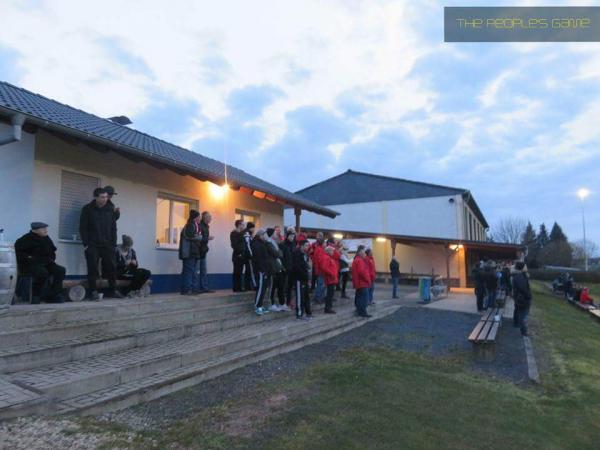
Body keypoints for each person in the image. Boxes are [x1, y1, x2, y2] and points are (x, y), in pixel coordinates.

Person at [80, 187, 123, 300]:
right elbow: (83, 227)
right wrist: (86, 244)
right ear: (96, 197)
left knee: (112, 267)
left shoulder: (110, 209)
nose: (105, 199)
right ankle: (93, 291)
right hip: (93, 244)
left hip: (107, 244)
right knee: (92, 267)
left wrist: (113, 244)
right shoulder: (87, 209)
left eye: (106, 197)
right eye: (102, 197)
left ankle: (112, 290)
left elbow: (113, 228)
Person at [14, 222, 67, 304]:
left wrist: (52, 258)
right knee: (42, 272)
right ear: (36, 230)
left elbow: (52, 250)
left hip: (47, 263)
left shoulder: (46, 238)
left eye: (46, 228)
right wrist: (29, 258)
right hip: (31, 265)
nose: (46, 230)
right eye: (43, 229)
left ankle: (53, 295)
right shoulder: (25, 239)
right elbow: (19, 253)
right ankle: (36, 295)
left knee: (60, 270)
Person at [178, 210, 203, 295]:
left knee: (194, 272)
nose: (200, 219)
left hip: (194, 253)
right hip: (189, 253)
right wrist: (201, 237)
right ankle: (186, 290)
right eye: (199, 217)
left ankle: (193, 289)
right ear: (195, 218)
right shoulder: (189, 225)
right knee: (188, 272)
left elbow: (195, 236)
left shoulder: (194, 225)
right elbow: (191, 236)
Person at [291, 239, 312, 320]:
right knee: (300, 297)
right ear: (302, 245)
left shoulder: (305, 254)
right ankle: (299, 314)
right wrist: (304, 274)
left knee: (306, 296)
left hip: (305, 279)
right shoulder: (297, 253)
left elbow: (306, 265)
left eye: (308, 245)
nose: (307, 247)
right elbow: (297, 267)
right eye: (306, 245)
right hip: (299, 279)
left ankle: (308, 313)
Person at [251, 229, 270, 315]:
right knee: (260, 288)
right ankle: (257, 306)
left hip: (264, 270)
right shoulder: (256, 244)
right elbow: (258, 259)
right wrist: (262, 270)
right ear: (260, 235)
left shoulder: (262, 243)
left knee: (263, 288)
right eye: (264, 235)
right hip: (260, 270)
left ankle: (260, 305)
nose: (265, 236)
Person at [265, 228, 285, 312]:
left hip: (277, 267)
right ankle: (270, 304)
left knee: (279, 286)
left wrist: (279, 253)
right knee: (272, 287)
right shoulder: (269, 243)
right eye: (275, 233)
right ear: (271, 234)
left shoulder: (274, 242)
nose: (276, 234)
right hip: (272, 268)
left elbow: (280, 254)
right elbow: (276, 253)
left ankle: (280, 304)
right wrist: (278, 253)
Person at [511, 261, 532, 336]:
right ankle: (524, 331)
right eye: (525, 266)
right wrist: (529, 296)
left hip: (519, 298)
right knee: (523, 315)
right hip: (523, 299)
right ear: (522, 267)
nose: (526, 267)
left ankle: (517, 324)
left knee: (518, 312)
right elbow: (523, 288)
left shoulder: (518, 275)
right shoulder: (519, 277)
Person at [197, 211, 215, 293]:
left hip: (203, 251)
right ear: (204, 218)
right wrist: (207, 238)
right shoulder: (200, 226)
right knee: (196, 270)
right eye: (209, 217)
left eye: (210, 217)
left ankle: (204, 287)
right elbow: (198, 238)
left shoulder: (206, 226)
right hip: (198, 251)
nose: (210, 218)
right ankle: (196, 288)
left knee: (203, 270)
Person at [352, 245, 371, 318]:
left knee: (359, 297)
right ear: (361, 254)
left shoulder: (356, 260)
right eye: (364, 254)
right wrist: (367, 279)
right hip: (362, 283)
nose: (365, 255)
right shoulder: (359, 261)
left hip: (359, 283)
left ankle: (359, 311)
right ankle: (363, 312)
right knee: (364, 298)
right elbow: (362, 272)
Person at [280, 228, 296, 310]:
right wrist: (284, 267)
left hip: (292, 269)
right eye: (291, 236)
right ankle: (283, 303)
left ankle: (289, 302)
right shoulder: (283, 244)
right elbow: (281, 257)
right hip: (285, 269)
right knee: (284, 287)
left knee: (290, 287)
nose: (292, 237)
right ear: (287, 236)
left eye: (293, 236)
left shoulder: (293, 244)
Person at [321, 246, 338, 314]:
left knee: (331, 294)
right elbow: (324, 268)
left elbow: (337, 255)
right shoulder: (326, 258)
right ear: (328, 251)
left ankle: (329, 308)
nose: (333, 252)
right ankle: (328, 308)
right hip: (330, 278)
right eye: (332, 251)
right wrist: (332, 274)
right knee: (330, 294)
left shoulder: (329, 257)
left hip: (332, 278)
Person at [230, 219, 246, 292]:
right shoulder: (234, 233)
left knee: (240, 272)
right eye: (243, 224)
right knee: (236, 272)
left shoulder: (242, 233)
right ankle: (236, 287)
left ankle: (239, 287)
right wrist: (239, 253)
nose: (244, 226)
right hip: (237, 255)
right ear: (239, 225)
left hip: (242, 255)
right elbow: (234, 245)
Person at [311, 233, 326, 302]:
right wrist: (324, 269)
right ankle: (318, 298)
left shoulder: (318, 249)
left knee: (320, 284)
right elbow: (321, 262)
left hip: (318, 269)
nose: (326, 244)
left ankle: (318, 297)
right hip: (321, 271)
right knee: (321, 285)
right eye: (325, 243)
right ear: (322, 243)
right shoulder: (320, 250)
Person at [242, 222, 256, 291]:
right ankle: (250, 286)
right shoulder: (247, 234)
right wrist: (251, 254)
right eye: (253, 228)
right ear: (251, 228)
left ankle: (248, 286)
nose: (254, 229)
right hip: (248, 256)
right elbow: (248, 245)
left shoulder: (248, 234)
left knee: (248, 271)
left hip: (247, 255)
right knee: (250, 271)